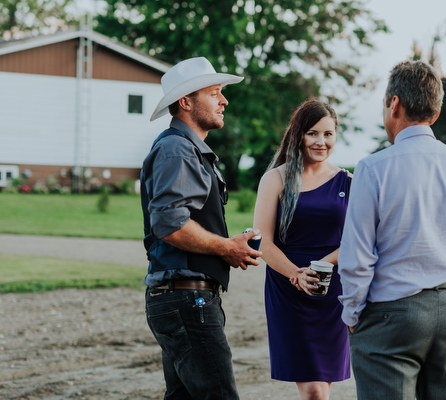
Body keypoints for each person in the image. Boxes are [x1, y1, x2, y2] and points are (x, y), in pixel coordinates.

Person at [338, 60, 446, 400]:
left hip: (392, 310)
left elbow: (358, 254)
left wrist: (352, 311)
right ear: (435, 114)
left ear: (394, 103)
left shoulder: (373, 168)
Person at [140, 57, 262, 400]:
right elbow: (169, 224)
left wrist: (228, 242)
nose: (224, 101)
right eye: (215, 92)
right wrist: (226, 248)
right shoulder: (178, 149)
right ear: (186, 102)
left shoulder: (184, 148)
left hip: (180, 297)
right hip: (186, 299)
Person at [253, 99, 352, 400]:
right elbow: (262, 241)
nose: (321, 142)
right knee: (313, 391)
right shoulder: (276, 179)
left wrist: (321, 265)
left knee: (321, 387)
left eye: (328, 134)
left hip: (331, 291)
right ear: (298, 134)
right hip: (289, 290)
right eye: (312, 133)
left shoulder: (347, 180)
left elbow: (355, 241)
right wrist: (296, 274)